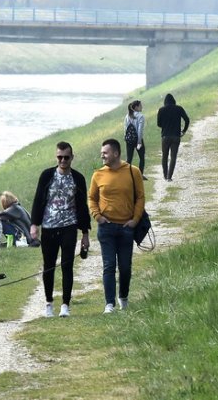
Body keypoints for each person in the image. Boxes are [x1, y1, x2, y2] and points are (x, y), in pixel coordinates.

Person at [30, 141, 91, 318]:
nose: (63, 160)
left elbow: (82, 206)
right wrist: (34, 224)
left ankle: (65, 304)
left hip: (69, 226)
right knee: (48, 266)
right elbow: (37, 200)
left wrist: (85, 233)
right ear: (56, 157)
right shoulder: (47, 175)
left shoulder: (78, 178)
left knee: (67, 265)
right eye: (60, 157)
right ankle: (48, 303)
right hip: (49, 227)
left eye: (66, 157)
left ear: (72, 157)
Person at [88, 138, 145, 313]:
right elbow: (91, 198)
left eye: (105, 152)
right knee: (109, 265)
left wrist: (135, 220)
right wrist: (97, 216)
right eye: (102, 152)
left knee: (125, 266)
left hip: (127, 227)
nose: (102, 155)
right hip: (106, 227)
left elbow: (140, 197)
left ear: (116, 153)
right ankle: (109, 303)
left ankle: (123, 297)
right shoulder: (98, 174)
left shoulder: (132, 171)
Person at [157, 93, 190, 181]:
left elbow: (159, 124)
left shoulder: (161, 110)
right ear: (173, 101)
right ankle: (169, 177)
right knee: (173, 157)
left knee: (164, 156)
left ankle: (165, 175)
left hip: (165, 136)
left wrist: (165, 125)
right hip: (176, 136)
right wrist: (183, 130)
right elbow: (187, 119)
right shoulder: (179, 109)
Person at [124, 100, 147, 180]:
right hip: (137, 139)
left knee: (129, 159)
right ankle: (140, 175)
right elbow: (140, 130)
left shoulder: (127, 116)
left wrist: (126, 138)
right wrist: (139, 142)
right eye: (140, 105)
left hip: (129, 140)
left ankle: (126, 176)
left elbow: (126, 128)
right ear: (136, 107)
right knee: (141, 158)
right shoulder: (141, 116)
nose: (142, 107)